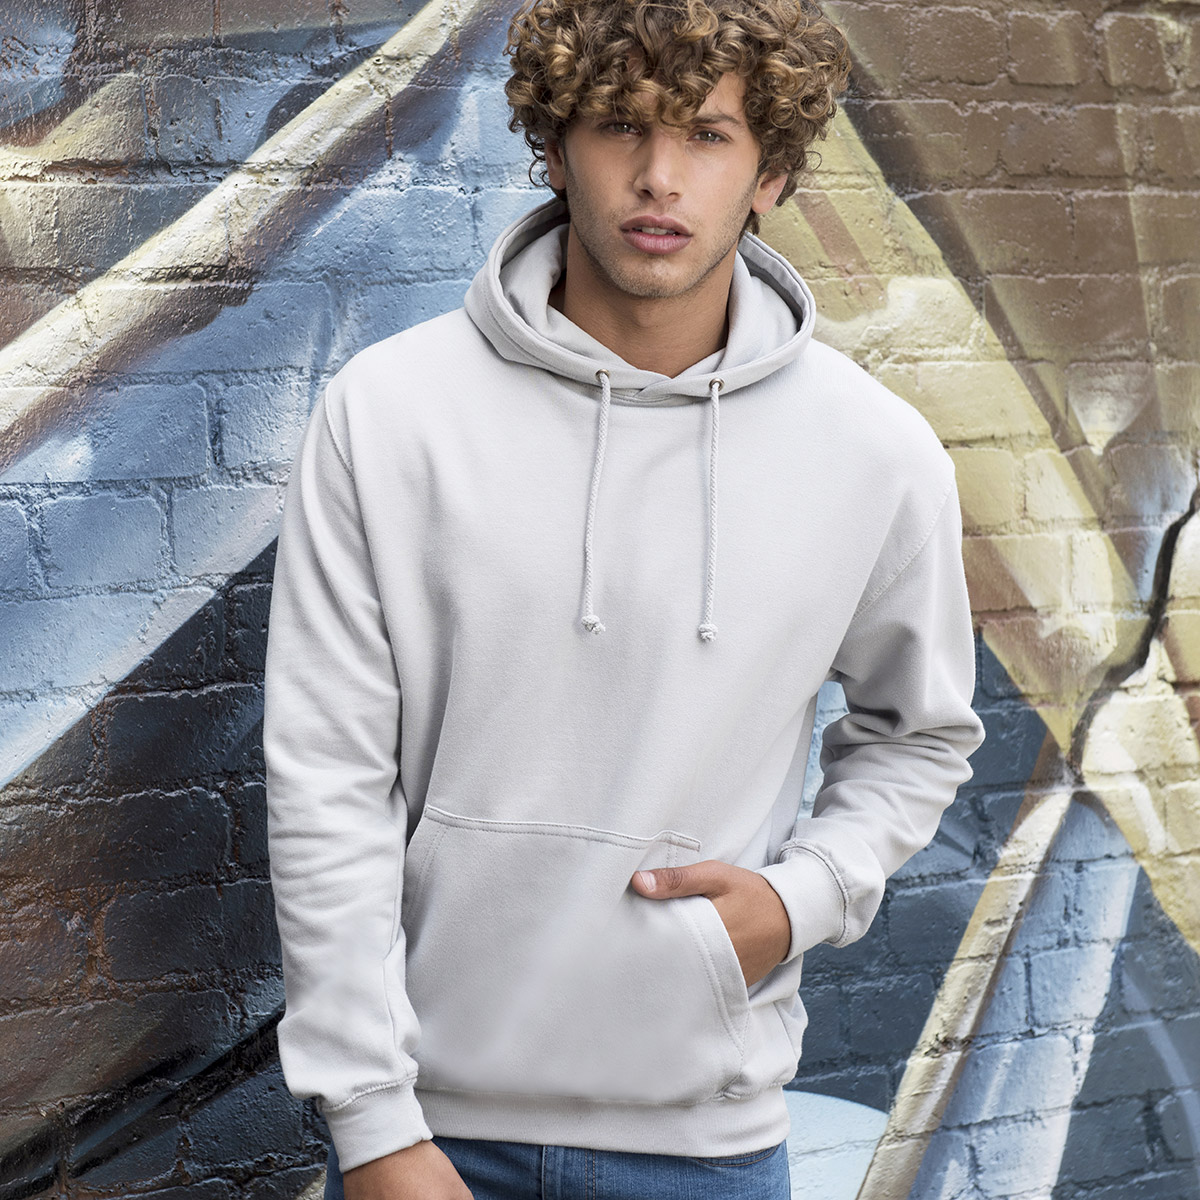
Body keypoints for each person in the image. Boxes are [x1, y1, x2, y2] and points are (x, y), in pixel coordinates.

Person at [263, 0, 986, 1196]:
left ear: (772, 174)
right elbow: (326, 777)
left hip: (706, 1147)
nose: (660, 177)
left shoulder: (875, 454)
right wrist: (373, 1124)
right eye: (620, 126)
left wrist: (801, 898)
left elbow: (921, 735)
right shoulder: (391, 416)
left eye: (707, 135)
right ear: (554, 148)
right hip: (426, 1135)